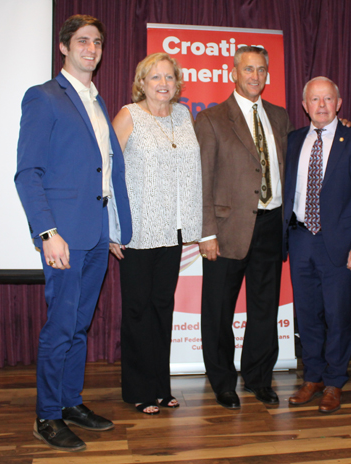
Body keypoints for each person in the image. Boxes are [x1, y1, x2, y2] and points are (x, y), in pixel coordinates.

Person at [15, 15, 132, 452]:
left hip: (98, 234)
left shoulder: (97, 102)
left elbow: (105, 174)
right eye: (82, 41)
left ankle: (69, 402)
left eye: (97, 42)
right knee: (60, 328)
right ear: (63, 47)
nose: (91, 48)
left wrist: (116, 229)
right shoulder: (44, 98)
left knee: (80, 327)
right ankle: (46, 416)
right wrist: (47, 232)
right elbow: (28, 173)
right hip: (63, 236)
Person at [195, 46, 294, 409]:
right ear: (232, 73)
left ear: (268, 74)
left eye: (261, 70)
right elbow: (201, 180)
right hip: (225, 229)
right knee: (219, 310)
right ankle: (222, 382)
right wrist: (206, 232)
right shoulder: (211, 119)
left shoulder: (280, 117)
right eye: (248, 69)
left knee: (265, 308)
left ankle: (258, 378)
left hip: (271, 224)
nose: (255, 76)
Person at [111, 53, 202, 415]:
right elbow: (107, 173)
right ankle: (138, 389)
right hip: (137, 231)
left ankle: (160, 386)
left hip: (172, 231)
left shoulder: (183, 116)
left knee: (163, 308)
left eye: (169, 77)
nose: (162, 83)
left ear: (177, 83)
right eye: (155, 77)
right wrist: (112, 228)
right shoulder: (128, 115)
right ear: (142, 83)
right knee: (137, 309)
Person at [283, 77, 351, 413]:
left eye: (327, 99)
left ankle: (335, 381)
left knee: (337, 315)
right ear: (304, 104)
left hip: (339, 243)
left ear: (338, 104)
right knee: (307, 314)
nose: (321, 105)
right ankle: (313, 376)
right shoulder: (293, 140)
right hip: (299, 239)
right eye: (314, 99)